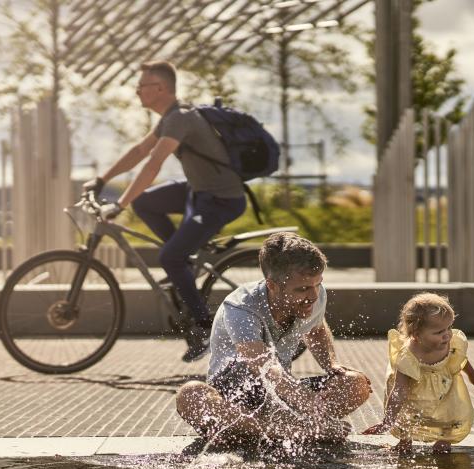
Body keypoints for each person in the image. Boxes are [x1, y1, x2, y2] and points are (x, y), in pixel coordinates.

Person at [84, 60, 246, 361]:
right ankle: (181, 262)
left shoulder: (180, 118)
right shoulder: (170, 117)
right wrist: (102, 179)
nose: (136, 92)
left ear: (159, 88)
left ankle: (201, 327)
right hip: (198, 191)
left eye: (141, 86)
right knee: (145, 202)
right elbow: (138, 151)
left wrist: (120, 204)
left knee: (169, 256)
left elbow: (153, 163)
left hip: (220, 199)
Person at [175, 232, 372, 449]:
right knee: (190, 395)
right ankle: (303, 429)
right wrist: (308, 406)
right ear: (272, 285)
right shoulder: (240, 308)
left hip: (280, 399)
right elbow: (265, 366)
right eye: (303, 288)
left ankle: (284, 429)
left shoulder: (314, 294)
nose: (314, 296)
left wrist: (331, 364)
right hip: (234, 403)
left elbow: (316, 328)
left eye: (318, 284)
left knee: (356, 383)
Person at [363, 292, 474, 454]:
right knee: (408, 414)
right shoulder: (408, 357)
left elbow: (460, 357)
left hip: (446, 388)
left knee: (451, 412)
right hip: (413, 392)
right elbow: (399, 392)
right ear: (416, 334)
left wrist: (472, 375)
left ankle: (444, 441)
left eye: (449, 327)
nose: (447, 335)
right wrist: (387, 422)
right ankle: (405, 441)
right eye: (439, 332)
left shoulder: (451, 342)